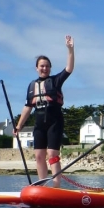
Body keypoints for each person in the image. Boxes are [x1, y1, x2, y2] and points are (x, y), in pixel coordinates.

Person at [14, 35, 75, 188]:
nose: (44, 68)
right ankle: (41, 186)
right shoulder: (31, 86)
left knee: (52, 155)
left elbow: (69, 69)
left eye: (47, 66)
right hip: (39, 124)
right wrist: (19, 126)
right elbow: (28, 107)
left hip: (55, 122)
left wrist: (70, 49)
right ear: (37, 68)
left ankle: (56, 186)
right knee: (39, 156)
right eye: (41, 66)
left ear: (50, 68)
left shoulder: (55, 80)